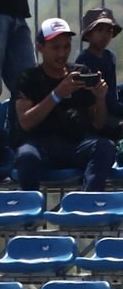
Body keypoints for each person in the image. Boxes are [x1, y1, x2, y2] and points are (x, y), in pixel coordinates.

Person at [13, 18, 117, 192]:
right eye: (55, 48)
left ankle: (87, 205)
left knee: (105, 147)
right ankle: (32, 212)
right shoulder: (28, 77)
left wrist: (100, 98)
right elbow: (25, 122)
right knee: (26, 157)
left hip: (76, 143)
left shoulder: (80, 72)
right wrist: (57, 94)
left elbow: (98, 123)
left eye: (66, 47)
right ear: (40, 47)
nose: (62, 54)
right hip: (41, 144)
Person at [82, 8, 123, 136]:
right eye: (99, 30)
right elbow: (100, 96)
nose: (104, 35)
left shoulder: (110, 56)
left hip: (111, 99)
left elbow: (112, 88)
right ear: (88, 34)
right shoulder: (85, 59)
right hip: (98, 109)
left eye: (109, 31)